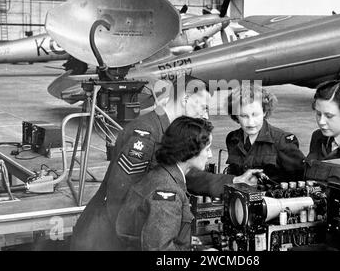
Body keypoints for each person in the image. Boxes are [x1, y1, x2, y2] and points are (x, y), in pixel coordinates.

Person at [70, 75, 261, 250]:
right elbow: (120, 192)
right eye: (203, 107)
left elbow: (184, 174)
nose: (205, 115)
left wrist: (235, 181)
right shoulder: (146, 133)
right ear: (186, 100)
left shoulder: (171, 131)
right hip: (106, 236)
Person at [116, 116, 213, 250]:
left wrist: (186, 242)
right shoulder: (167, 192)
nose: (210, 155)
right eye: (207, 149)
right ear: (190, 151)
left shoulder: (162, 174)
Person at [225, 83, 305, 183]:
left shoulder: (281, 141)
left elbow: (300, 178)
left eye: (255, 115)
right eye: (244, 116)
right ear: (236, 116)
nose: (250, 122)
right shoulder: (232, 139)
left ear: (264, 112)